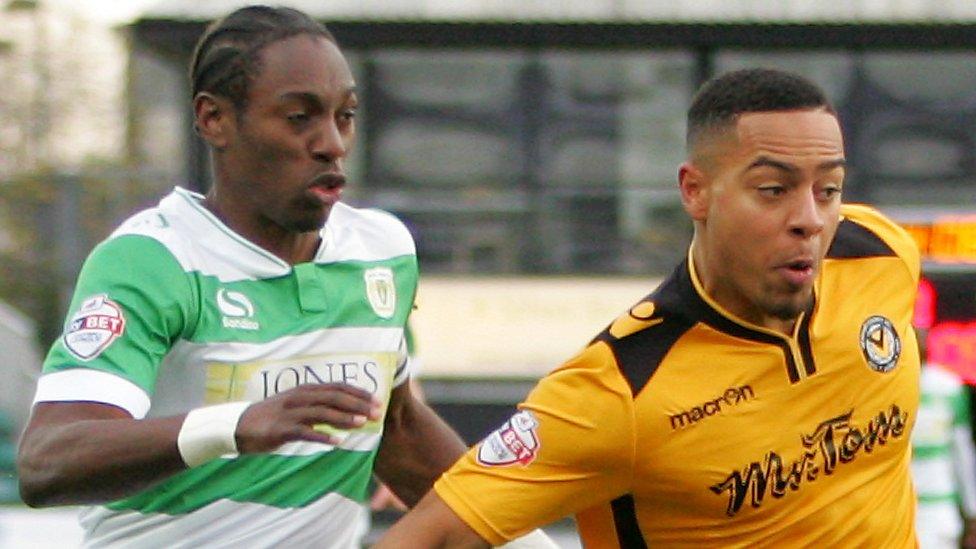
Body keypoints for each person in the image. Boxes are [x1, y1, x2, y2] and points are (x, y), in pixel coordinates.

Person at [15, 7, 556, 548]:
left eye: (344, 116)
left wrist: (532, 546)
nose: (332, 144)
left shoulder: (380, 252)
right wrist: (232, 426)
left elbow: (398, 430)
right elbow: (48, 461)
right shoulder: (154, 261)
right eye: (300, 117)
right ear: (214, 120)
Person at [377, 68, 922, 547]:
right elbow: (434, 534)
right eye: (774, 189)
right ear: (695, 192)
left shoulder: (883, 254)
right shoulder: (619, 389)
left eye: (828, 189)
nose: (811, 219)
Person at [912, 331, 976, 549]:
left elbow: (962, 453)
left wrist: (972, 511)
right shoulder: (883, 388)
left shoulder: (948, 387)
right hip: (893, 513)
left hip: (939, 510)